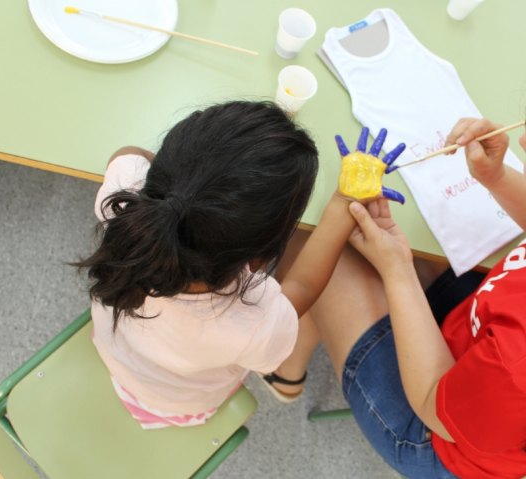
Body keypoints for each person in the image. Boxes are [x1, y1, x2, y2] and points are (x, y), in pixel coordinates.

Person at [74, 101, 356, 428]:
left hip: (117, 351)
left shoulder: (128, 211)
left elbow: (127, 153)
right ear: (260, 259)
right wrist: (342, 205)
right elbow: (303, 286)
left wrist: (183, 187)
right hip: (174, 405)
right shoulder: (252, 324)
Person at [276, 117, 526, 478]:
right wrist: (496, 177)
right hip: (479, 334)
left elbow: (431, 402)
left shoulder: (516, 365)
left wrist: (397, 267)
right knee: (370, 239)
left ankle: (284, 373)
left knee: (313, 244)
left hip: (438, 432)